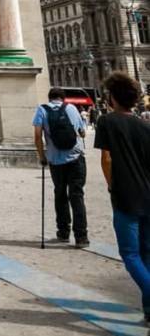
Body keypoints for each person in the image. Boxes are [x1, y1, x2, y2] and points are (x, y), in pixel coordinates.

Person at [94, 72, 150, 322]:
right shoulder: (145, 125)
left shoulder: (107, 122)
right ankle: (148, 311)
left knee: (130, 254)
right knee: (147, 252)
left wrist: (111, 185)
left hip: (125, 196)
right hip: (148, 195)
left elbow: (106, 159)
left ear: (112, 98)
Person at [32, 86, 89, 247]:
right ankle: (81, 236)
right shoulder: (71, 108)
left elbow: (37, 136)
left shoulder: (41, 110)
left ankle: (63, 232)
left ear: (49, 98)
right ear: (63, 98)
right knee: (77, 195)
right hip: (75, 157)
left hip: (55, 160)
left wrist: (42, 156)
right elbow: (82, 132)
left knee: (60, 194)